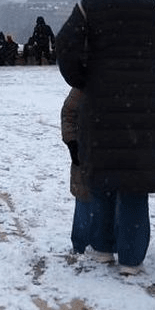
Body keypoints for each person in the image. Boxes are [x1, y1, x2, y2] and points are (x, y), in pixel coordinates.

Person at [55, 0, 155, 275]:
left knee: (103, 177)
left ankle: (103, 247)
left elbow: (64, 49)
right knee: (136, 183)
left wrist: (85, 78)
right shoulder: (154, 6)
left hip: (101, 106)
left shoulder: (87, 8)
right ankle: (132, 258)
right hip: (146, 106)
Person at [61, 88, 92, 253]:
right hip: (86, 149)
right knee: (84, 195)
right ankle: (81, 244)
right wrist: (72, 142)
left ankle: (108, 243)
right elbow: (69, 112)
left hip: (115, 150)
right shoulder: (85, 80)